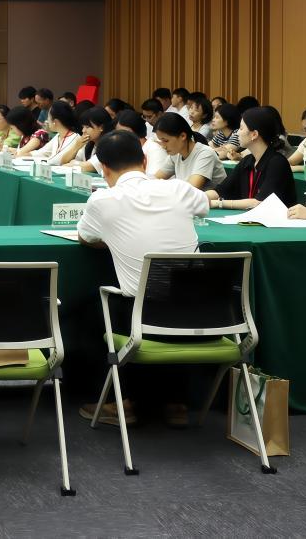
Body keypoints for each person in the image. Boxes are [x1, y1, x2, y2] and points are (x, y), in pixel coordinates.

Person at [76, 130, 209, 427]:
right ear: (145, 160)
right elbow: (204, 205)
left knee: (91, 310)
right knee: (166, 300)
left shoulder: (102, 200)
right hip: (202, 314)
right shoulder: (179, 189)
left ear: (104, 169)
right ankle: (176, 404)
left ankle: (121, 401)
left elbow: (86, 238)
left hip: (141, 316)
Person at [207, 106, 296, 210]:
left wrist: (218, 203)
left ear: (254, 134)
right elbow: (220, 190)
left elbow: (259, 202)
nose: (237, 133)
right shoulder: (247, 160)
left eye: (241, 128)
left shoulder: (277, 163)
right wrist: (198, 197)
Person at [153, 113, 222, 189]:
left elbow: (190, 189)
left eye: (166, 141)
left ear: (182, 136)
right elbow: (154, 180)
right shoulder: (176, 154)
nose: (163, 146)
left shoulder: (205, 153)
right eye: (161, 141)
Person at [114, 109, 169, 176]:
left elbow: (154, 180)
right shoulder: (126, 151)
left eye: (123, 133)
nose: (120, 137)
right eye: (118, 133)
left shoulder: (155, 149)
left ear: (136, 131)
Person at [37, 101, 85, 166]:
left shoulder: (75, 138)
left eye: (48, 117)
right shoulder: (58, 136)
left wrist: (46, 161)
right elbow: (42, 152)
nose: (47, 120)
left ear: (55, 121)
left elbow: (58, 160)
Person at [77, 106, 115, 173]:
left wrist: (75, 164)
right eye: (83, 127)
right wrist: (76, 146)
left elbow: (87, 167)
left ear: (101, 127)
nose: (83, 131)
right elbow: (65, 161)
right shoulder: (89, 144)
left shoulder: (111, 144)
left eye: (87, 127)